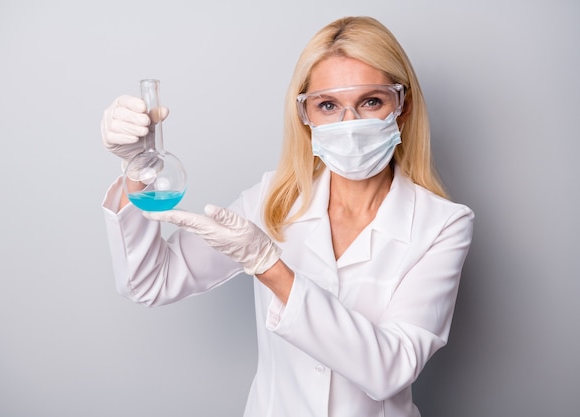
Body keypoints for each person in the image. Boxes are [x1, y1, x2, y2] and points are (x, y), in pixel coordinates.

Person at [100, 16, 474, 417]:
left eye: (370, 101)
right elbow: (149, 282)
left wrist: (269, 266)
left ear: (402, 106)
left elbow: (390, 368)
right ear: (305, 115)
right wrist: (138, 169)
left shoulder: (443, 224)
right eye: (328, 105)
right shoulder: (273, 200)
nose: (350, 124)